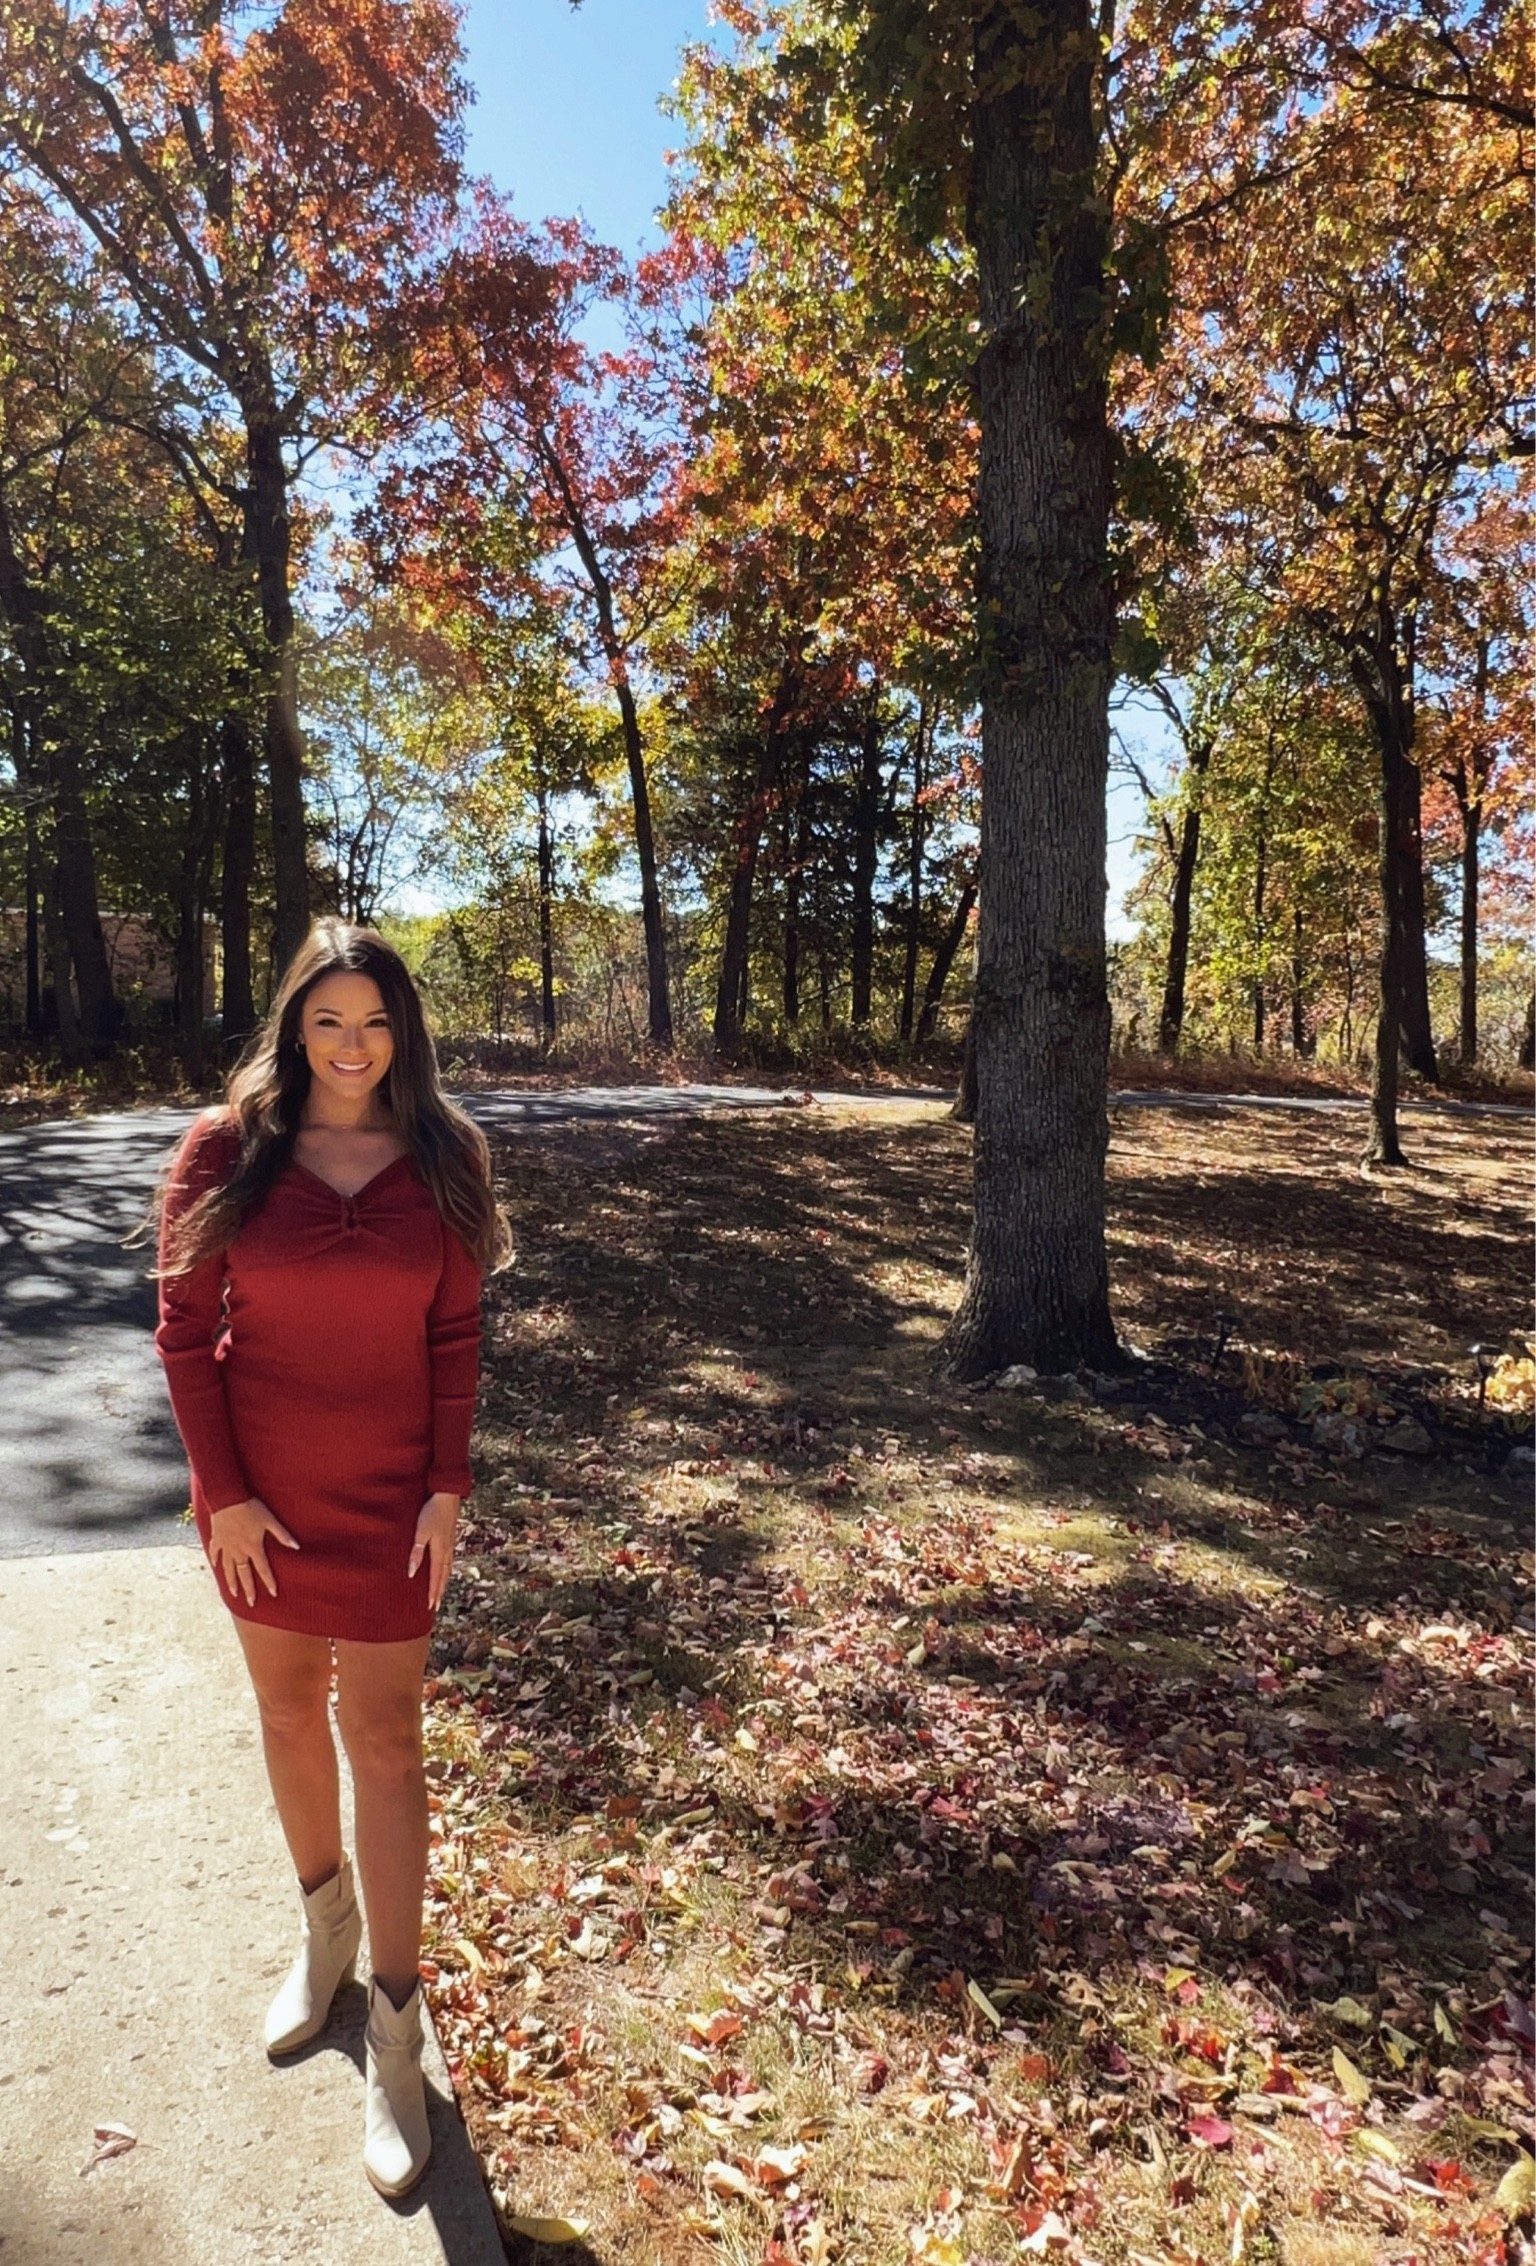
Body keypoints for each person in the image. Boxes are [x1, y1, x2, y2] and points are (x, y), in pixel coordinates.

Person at [152, 918, 510, 2199]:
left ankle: (400, 2036)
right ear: (293, 1027)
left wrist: (448, 1488)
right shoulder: (225, 1153)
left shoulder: (445, 1153)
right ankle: (326, 1935)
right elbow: (185, 1336)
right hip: (261, 1505)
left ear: (403, 1030)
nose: (353, 1047)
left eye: (375, 1022)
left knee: (391, 1738)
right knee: (290, 1711)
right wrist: (225, 1495)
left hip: (393, 1504)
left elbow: (457, 1332)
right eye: (327, 1021)